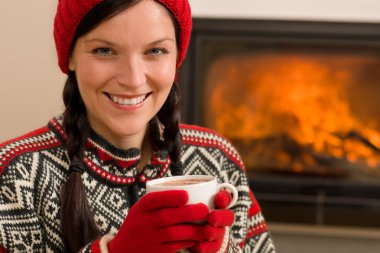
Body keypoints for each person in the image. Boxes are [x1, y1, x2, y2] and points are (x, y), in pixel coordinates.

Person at [0, 0, 276, 252]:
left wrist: (222, 249)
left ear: (177, 57)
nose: (132, 79)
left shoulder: (217, 157)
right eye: (104, 50)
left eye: (155, 50)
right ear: (70, 57)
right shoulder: (14, 172)